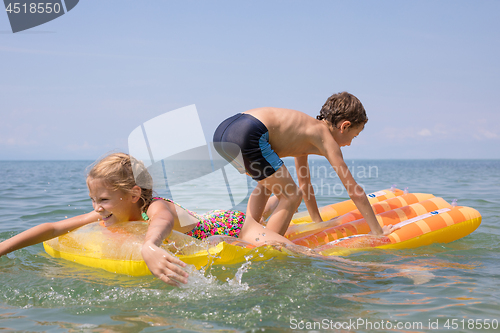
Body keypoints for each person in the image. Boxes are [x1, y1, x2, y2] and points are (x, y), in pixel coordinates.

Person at [0, 153, 262, 286]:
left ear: (134, 194)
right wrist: (4, 247)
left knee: (280, 244)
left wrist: (149, 246)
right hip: (202, 219)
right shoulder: (106, 212)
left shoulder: (158, 207)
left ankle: (273, 199)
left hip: (227, 225)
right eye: (93, 199)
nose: (96, 208)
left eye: (103, 200)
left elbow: (162, 225)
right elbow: (55, 227)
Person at [213, 92, 398, 245]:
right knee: (291, 196)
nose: (349, 144)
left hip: (224, 133)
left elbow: (305, 182)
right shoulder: (325, 139)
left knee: (270, 183)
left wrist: (317, 222)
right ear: (345, 126)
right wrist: (377, 232)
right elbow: (354, 191)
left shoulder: (304, 131)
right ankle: (261, 246)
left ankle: (250, 228)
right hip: (249, 133)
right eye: (354, 136)